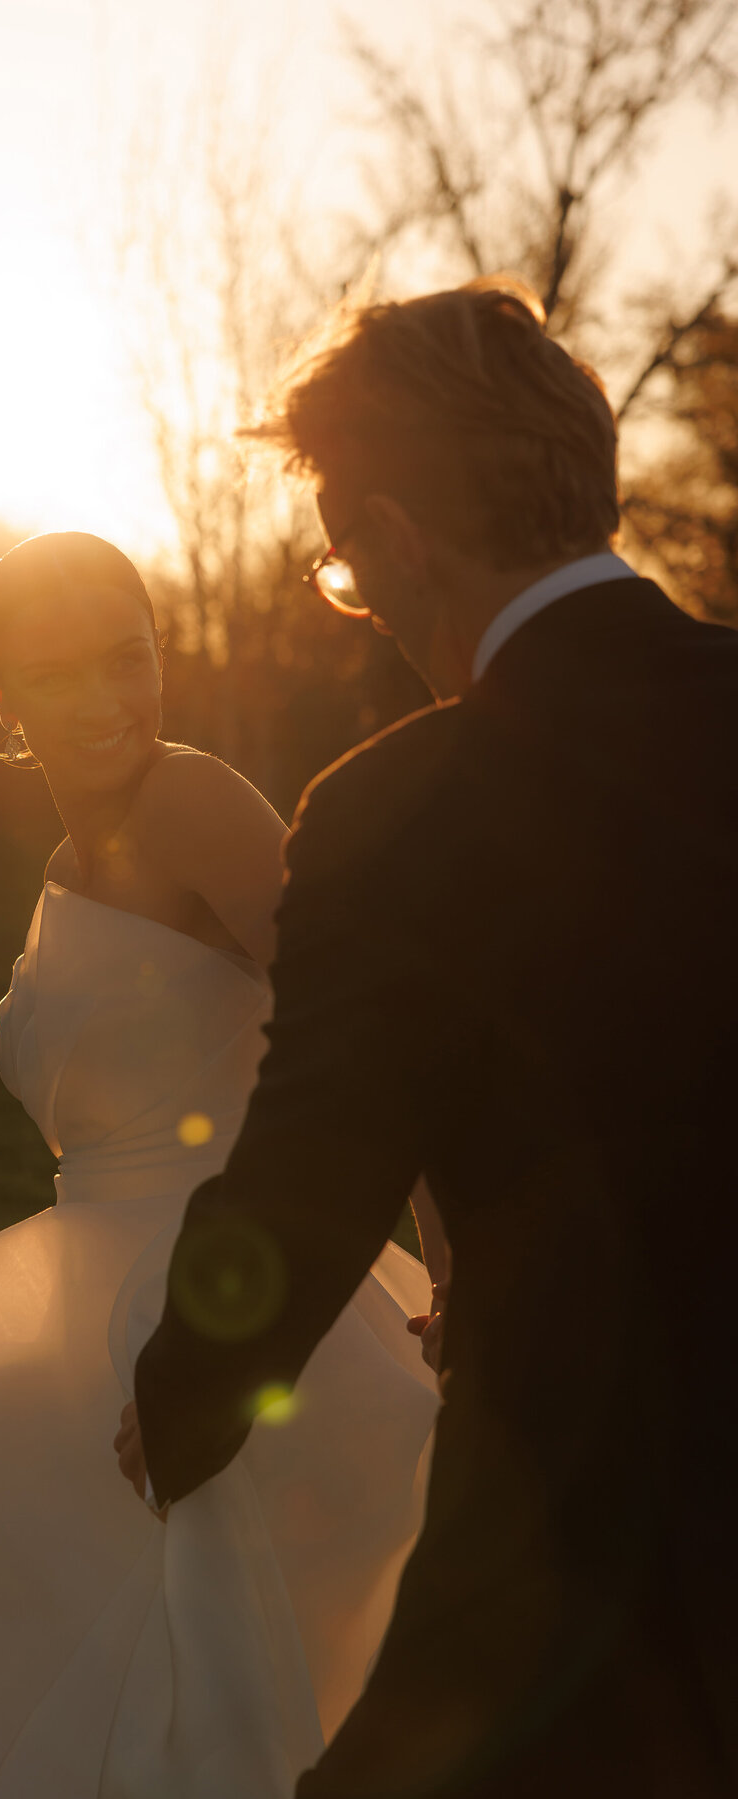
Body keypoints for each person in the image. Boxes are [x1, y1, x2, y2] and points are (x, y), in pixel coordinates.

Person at [123, 280, 738, 1797]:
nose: (361, 596)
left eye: (343, 562)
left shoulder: (399, 812)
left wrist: (178, 1393)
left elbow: (312, 1178)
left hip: (591, 1545)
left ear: (395, 538)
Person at [0, 531, 440, 1799]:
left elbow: (370, 1036)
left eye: (127, 660)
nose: (105, 701)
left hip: (225, 1287)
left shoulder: (190, 801)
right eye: (57, 672)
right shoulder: (71, 861)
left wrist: (454, 1260)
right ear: (1, 692)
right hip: (88, 1304)